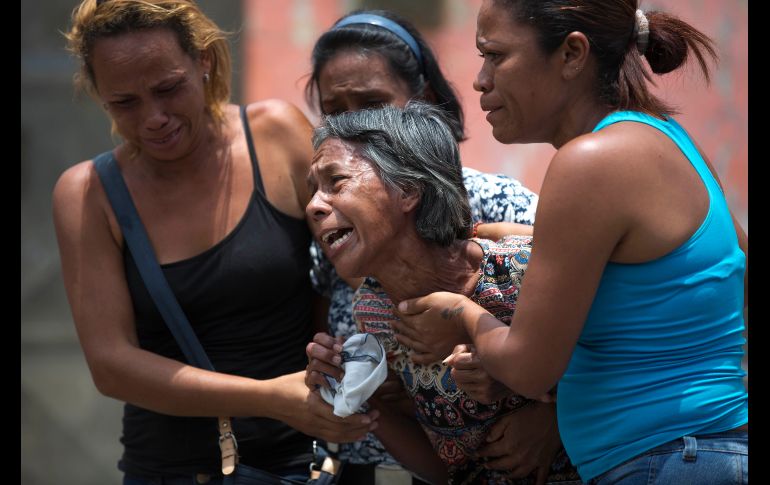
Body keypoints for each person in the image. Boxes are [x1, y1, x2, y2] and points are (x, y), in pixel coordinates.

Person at [392, 1, 748, 483]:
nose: (480, 79)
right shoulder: (666, 138)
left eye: (495, 55)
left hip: (664, 461)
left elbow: (528, 367)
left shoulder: (591, 162)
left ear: (571, 55)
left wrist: (462, 317)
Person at [53, 1, 377, 483]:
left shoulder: (276, 135)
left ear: (203, 61)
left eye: (168, 88)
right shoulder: (87, 194)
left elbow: (366, 258)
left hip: (312, 462)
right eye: (125, 102)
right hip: (172, 471)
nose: (154, 117)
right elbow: (112, 366)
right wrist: (271, 397)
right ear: (99, 94)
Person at [302, 11, 554, 484]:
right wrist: (361, 387)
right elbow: (449, 464)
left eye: (372, 102)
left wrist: (550, 408)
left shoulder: (517, 261)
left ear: (408, 190)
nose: (315, 206)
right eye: (336, 110)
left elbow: (634, 344)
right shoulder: (374, 310)